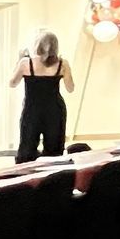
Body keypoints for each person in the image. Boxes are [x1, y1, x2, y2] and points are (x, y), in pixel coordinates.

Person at [12, 33, 75, 163]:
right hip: (55, 109)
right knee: (54, 148)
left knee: (27, 146)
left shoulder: (26, 63)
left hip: (32, 108)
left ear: (38, 46)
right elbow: (70, 88)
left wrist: (18, 61)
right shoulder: (62, 64)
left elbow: (12, 83)